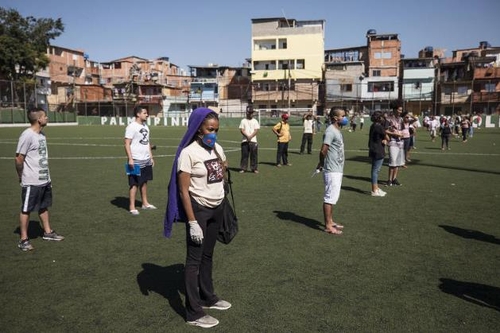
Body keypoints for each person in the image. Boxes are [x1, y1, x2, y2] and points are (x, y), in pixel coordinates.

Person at [164, 108, 231, 329]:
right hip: (199, 210)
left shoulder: (217, 148)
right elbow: (184, 191)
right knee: (194, 261)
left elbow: (220, 175)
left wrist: (223, 168)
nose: (213, 134)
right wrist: (192, 222)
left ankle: (208, 297)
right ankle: (193, 312)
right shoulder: (188, 153)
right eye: (210, 129)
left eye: (216, 130)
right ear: (198, 129)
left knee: (208, 255)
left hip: (217, 208)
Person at [15, 107, 64, 251]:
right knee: (26, 209)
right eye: (45, 116)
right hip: (31, 180)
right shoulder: (27, 135)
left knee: (44, 206)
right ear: (38, 119)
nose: (47, 118)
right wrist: (21, 175)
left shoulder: (41, 135)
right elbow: (19, 158)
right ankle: (23, 239)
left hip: (44, 178)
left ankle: (47, 232)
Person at [317, 108, 347, 235]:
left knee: (333, 197)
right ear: (335, 118)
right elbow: (323, 150)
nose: (345, 118)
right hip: (332, 170)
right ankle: (328, 225)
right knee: (330, 197)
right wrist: (321, 163)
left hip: (337, 168)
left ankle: (331, 221)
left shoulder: (337, 130)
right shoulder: (330, 131)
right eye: (343, 116)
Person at [124, 106, 156, 215]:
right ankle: (132, 207)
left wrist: (151, 157)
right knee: (134, 184)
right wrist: (130, 159)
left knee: (144, 181)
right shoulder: (131, 127)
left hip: (146, 159)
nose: (147, 115)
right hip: (136, 159)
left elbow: (147, 143)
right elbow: (126, 143)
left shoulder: (146, 126)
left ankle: (145, 203)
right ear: (138, 114)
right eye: (145, 113)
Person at [368, 111, 388, 197]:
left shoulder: (373, 126)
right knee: (376, 171)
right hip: (378, 150)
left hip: (373, 149)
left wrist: (384, 139)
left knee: (375, 170)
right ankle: (374, 190)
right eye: (383, 117)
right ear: (380, 118)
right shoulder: (379, 126)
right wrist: (386, 139)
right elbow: (386, 136)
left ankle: (376, 188)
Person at [384, 103, 404, 186]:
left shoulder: (400, 119)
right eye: (399, 110)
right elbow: (385, 130)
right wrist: (394, 134)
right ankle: (389, 180)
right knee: (392, 162)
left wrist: (402, 133)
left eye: (401, 110)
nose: (400, 111)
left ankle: (394, 178)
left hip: (400, 142)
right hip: (392, 142)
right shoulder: (388, 119)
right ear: (395, 110)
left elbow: (401, 129)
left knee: (398, 162)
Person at [238, 108, 260, 173]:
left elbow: (256, 130)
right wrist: (247, 136)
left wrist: (250, 136)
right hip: (245, 141)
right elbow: (242, 130)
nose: (251, 114)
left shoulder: (255, 121)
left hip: (253, 141)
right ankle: (243, 168)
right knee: (244, 155)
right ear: (247, 113)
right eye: (250, 112)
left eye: (252, 113)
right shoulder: (243, 121)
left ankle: (254, 168)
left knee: (254, 156)